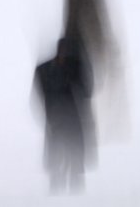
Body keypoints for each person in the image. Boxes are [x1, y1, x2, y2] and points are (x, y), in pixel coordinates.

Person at [32, 37, 95, 193]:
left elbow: (87, 91)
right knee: (58, 165)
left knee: (73, 166)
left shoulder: (74, 69)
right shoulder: (46, 70)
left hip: (70, 119)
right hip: (58, 120)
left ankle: (72, 195)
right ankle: (59, 194)